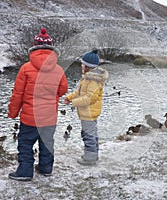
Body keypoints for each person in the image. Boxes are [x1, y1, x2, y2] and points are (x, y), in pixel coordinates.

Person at [8, 28, 68, 181]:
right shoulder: (59, 69)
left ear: (34, 47)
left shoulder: (26, 68)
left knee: (25, 144)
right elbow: (63, 90)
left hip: (30, 117)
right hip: (49, 118)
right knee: (47, 143)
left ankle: (25, 172)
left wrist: (13, 113)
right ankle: (46, 168)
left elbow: (17, 94)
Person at [63, 49, 108, 166]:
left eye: (82, 64)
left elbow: (89, 99)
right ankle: (92, 154)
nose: (81, 65)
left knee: (88, 135)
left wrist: (74, 103)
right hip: (87, 112)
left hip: (88, 112)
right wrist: (69, 98)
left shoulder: (92, 81)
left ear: (87, 66)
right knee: (90, 133)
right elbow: (79, 93)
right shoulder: (87, 78)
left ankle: (90, 159)